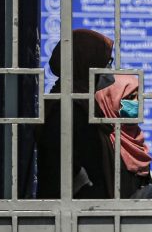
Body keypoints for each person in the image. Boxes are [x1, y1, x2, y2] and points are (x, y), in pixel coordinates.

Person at [36, 29, 117, 199]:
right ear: (86, 61)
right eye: (106, 62)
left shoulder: (83, 104)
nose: (109, 69)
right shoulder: (66, 107)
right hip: (75, 212)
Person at [94, 73, 152, 198]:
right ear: (111, 100)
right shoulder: (100, 141)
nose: (137, 102)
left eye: (139, 97)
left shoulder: (137, 140)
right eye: (131, 97)